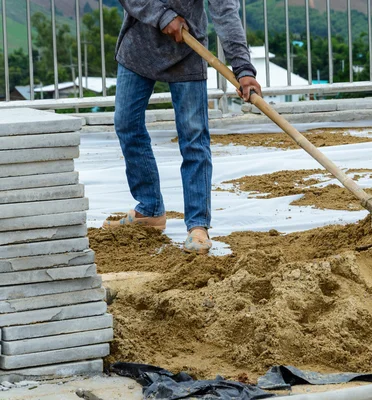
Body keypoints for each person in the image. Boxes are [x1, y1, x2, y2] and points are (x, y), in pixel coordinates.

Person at [103, 0, 262, 255]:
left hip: (188, 49)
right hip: (139, 47)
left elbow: (225, 11)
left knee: (193, 136)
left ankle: (198, 225)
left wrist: (243, 68)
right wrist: (162, 15)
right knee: (127, 124)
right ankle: (150, 208)